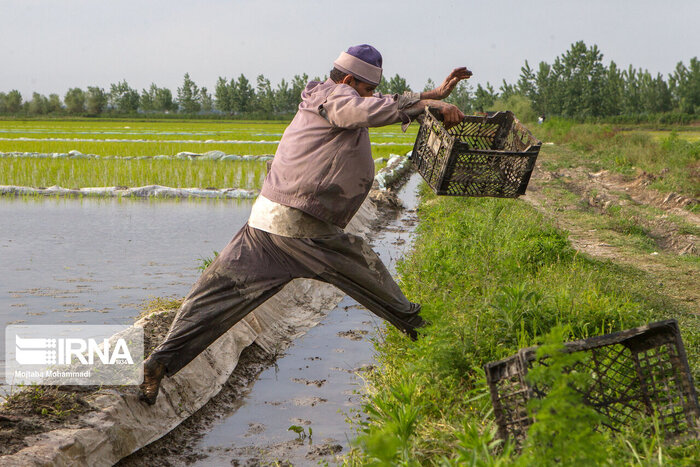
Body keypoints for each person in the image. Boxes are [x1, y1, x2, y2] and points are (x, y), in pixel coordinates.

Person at [139, 44, 470, 405]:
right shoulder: (337, 98)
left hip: (266, 224)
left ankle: (159, 361)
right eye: (368, 89)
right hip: (307, 233)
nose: (373, 97)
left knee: (213, 296)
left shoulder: (325, 94)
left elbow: (377, 101)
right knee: (375, 281)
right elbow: (357, 109)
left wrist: (428, 96)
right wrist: (427, 107)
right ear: (348, 80)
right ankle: (429, 337)